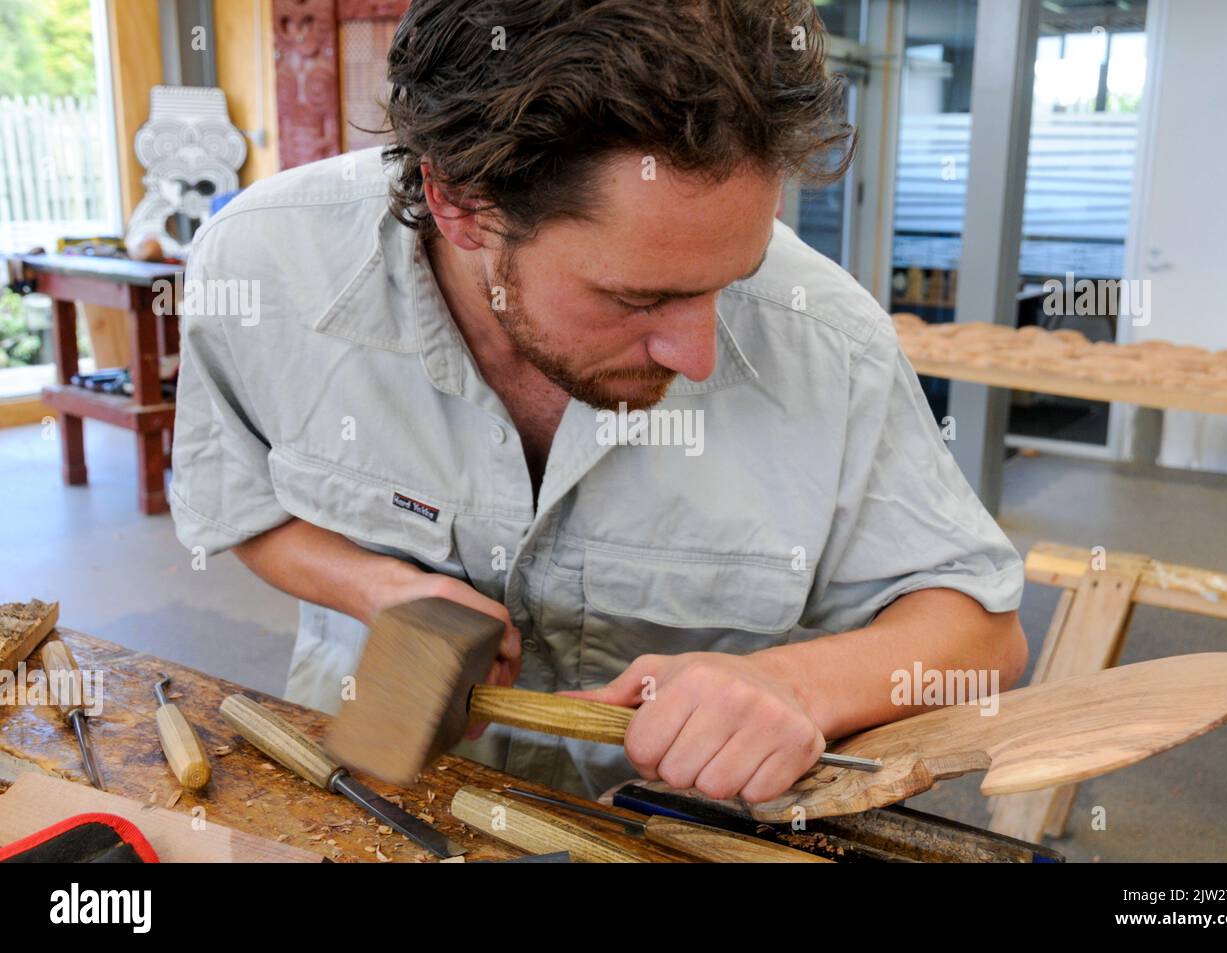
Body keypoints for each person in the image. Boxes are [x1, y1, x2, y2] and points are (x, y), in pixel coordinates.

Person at [171, 0, 1027, 804]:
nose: (697, 356)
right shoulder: (262, 268)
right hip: (370, 799)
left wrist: (796, 684)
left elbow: (984, 636)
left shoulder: (825, 338)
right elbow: (237, 505)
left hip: (670, 832)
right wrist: (374, 585)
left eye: (733, 281)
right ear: (460, 203)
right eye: (639, 299)